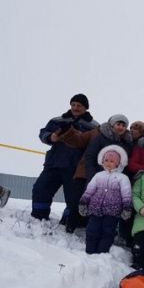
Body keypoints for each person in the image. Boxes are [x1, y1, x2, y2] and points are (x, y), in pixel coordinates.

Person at [32, 94, 98, 227]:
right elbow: (43, 133)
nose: (75, 107)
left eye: (79, 105)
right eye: (73, 104)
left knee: (73, 199)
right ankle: (38, 219)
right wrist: (51, 137)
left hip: (75, 168)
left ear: (86, 108)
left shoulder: (94, 126)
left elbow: (94, 145)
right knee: (40, 189)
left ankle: (67, 223)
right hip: (53, 164)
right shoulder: (58, 120)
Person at [78, 145, 132, 254]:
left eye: (112, 161)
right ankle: (90, 251)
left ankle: (102, 253)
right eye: (106, 160)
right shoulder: (98, 175)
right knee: (92, 230)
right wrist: (83, 202)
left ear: (118, 163)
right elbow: (89, 190)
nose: (108, 163)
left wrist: (127, 207)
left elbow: (126, 194)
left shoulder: (123, 178)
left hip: (112, 211)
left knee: (107, 232)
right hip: (95, 209)